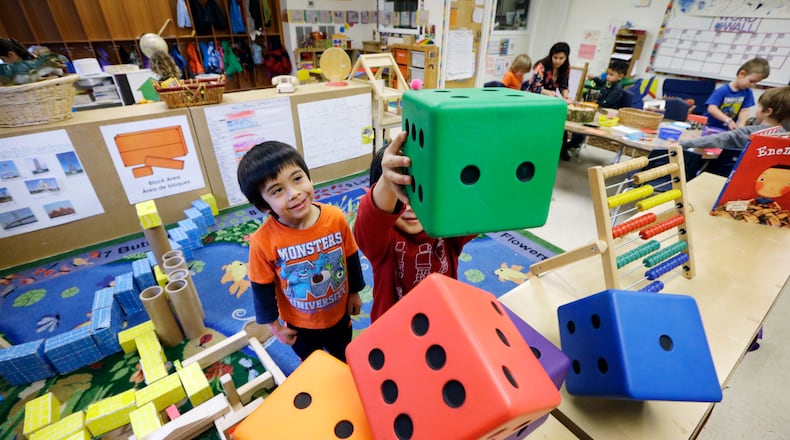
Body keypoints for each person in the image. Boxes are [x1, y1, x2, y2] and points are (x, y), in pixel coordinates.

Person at [237, 141, 365, 362]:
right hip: (300, 325)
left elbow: (351, 256)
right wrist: (275, 327)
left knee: (344, 354)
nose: (294, 193)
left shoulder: (335, 217)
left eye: (297, 179)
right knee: (312, 363)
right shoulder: (262, 241)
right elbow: (262, 290)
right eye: (277, 190)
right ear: (264, 206)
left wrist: (354, 292)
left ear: (309, 177)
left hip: (339, 312)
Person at [353, 132, 477, 322]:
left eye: (419, 193)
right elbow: (370, 221)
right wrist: (388, 180)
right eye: (399, 195)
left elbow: (477, 207)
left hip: (444, 319)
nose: (409, 207)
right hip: (394, 330)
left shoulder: (445, 226)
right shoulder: (383, 241)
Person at [682, 86, 790, 151]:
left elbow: (715, 140)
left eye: (759, 106)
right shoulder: (785, 137)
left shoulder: (748, 133)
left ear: (768, 111)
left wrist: (680, 145)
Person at [703, 57, 770, 131]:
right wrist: (728, 120)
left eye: (756, 82)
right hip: (709, 127)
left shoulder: (748, 92)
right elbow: (712, 109)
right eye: (751, 81)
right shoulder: (722, 90)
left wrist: (741, 125)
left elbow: (744, 110)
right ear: (742, 74)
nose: (753, 85)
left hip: (727, 129)